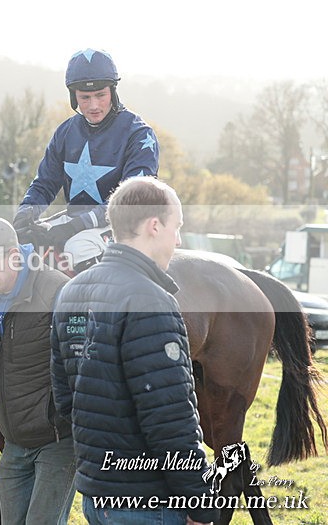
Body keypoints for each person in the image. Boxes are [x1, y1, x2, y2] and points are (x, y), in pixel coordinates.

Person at [50, 177, 218, 525]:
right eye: (177, 227)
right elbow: (170, 419)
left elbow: (66, 399)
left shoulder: (71, 292)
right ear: (154, 226)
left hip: (98, 497)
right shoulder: (152, 301)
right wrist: (201, 505)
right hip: (147, 502)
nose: (179, 240)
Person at [0, 216, 75, 524]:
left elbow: (83, 367)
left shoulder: (58, 291)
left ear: (15, 256)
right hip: (15, 440)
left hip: (58, 439)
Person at [13, 48, 160, 273]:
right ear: (74, 97)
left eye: (100, 95)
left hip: (125, 225)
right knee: (22, 247)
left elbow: (131, 201)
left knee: (78, 246)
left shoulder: (139, 134)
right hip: (76, 220)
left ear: (113, 91)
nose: (93, 105)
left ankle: (94, 306)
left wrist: (77, 225)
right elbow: (44, 184)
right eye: (85, 97)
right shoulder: (65, 132)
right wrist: (25, 214)